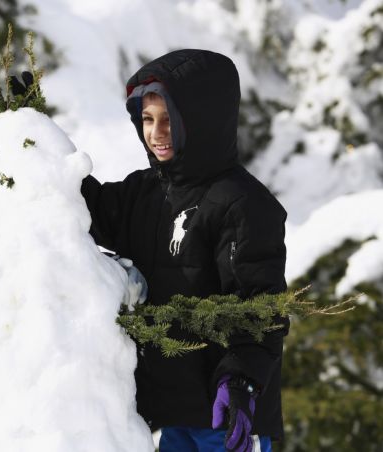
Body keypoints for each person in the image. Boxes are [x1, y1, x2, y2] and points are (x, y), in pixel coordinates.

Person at [80, 49, 289, 451]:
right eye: (147, 119)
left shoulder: (243, 204)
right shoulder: (145, 193)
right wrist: (29, 137)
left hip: (226, 415)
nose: (156, 133)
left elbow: (257, 306)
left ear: (202, 120)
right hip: (171, 416)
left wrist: (241, 381)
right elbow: (85, 209)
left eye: (169, 120)